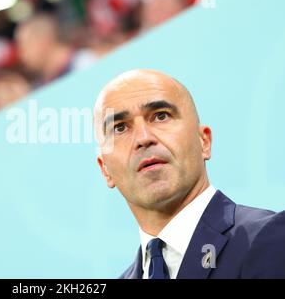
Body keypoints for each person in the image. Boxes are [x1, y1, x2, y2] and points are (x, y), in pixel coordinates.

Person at [93, 69, 285, 279]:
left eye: (160, 116)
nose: (143, 138)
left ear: (204, 141)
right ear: (105, 170)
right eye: (120, 128)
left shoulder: (271, 239)